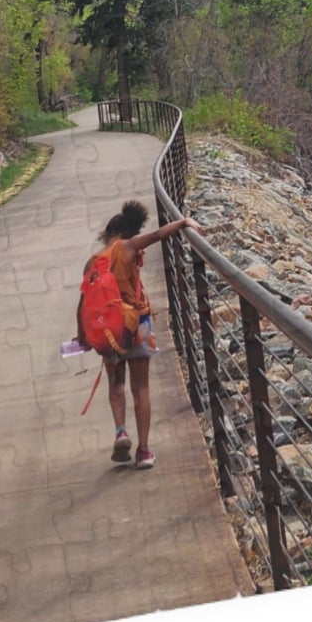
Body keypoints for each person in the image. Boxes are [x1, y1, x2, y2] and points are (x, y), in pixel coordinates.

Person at [92, 199, 198, 468]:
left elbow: (87, 304)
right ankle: (144, 451)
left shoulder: (94, 261)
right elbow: (161, 234)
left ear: (110, 233)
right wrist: (184, 221)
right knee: (141, 388)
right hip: (137, 326)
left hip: (108, 332)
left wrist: (85, 336)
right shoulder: (130, 247)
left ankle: (120, 431)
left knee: (116, 385)